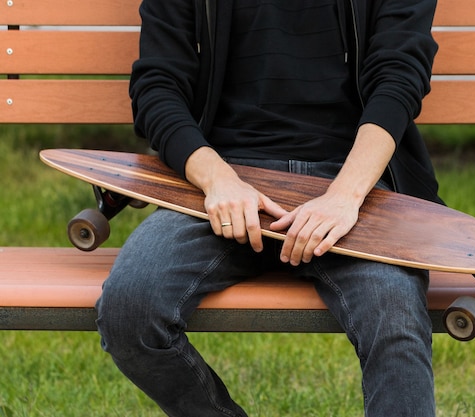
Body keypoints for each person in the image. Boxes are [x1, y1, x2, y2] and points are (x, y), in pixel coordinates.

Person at [95, 0, 443, 415]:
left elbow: (400, 75)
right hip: (225, 178)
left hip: (352, 179)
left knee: (396, 317)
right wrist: (217, 179)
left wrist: (345, 196)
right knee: (130, 307)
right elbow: (157, 87)